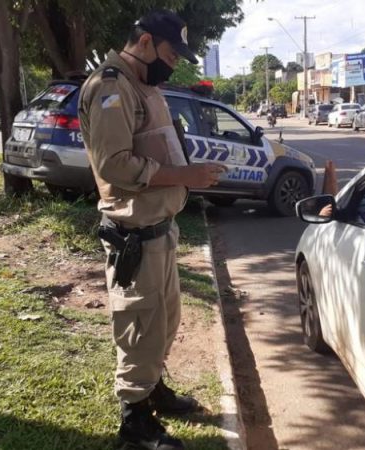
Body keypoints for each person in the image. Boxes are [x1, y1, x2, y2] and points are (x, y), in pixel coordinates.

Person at [78, 10, 227, 450]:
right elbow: (114, 165)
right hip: (134, 236)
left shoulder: (144, 85)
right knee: (140, 325)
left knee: (163, 321)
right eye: (169, 52)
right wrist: (185, 176)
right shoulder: (111, 87)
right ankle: (134, 422)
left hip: (160, 228)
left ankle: (153, 389)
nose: (174, 63)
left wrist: (188, 173)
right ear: (144, 42)